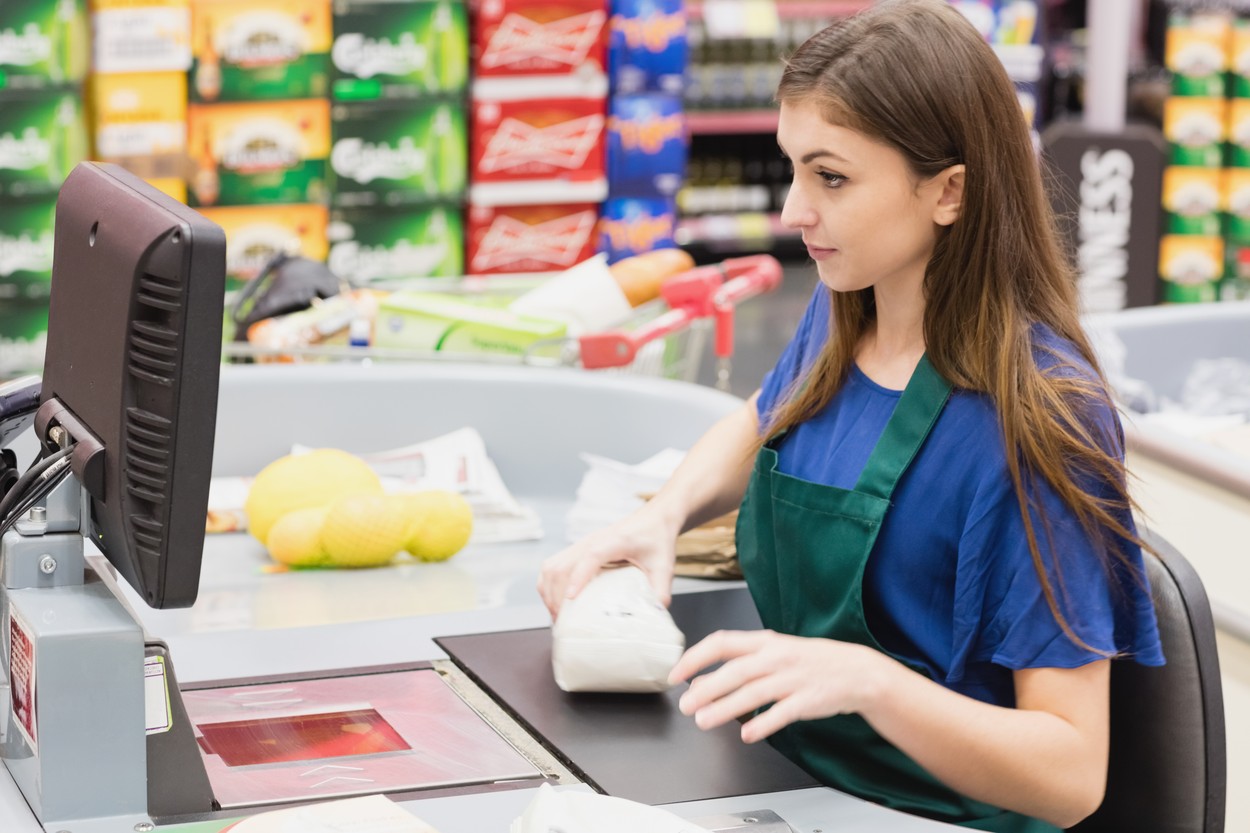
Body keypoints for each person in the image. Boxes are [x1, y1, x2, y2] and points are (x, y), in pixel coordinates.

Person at [537, 1, 1164, 830]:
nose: (795, 210)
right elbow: (767, 415)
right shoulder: (849, 306)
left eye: (830, 177)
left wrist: (871, 682)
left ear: (948, 191)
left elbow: (1071, 772)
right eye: (793, 169)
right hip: (790, 781)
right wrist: (665, 513)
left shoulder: (1041, 420)